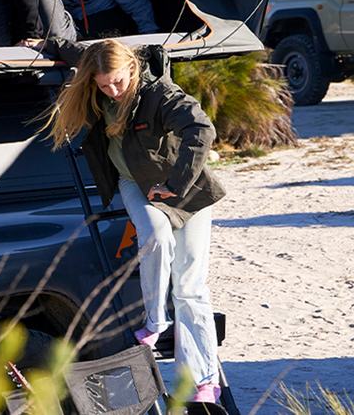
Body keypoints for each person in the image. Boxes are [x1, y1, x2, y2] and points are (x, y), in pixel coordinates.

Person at [38, 37, 225, 404]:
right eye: (103, 85)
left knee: (190, 289)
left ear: (132, 68)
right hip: (134, 182)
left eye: (118, 82)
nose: (112, 90)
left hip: (182, 187)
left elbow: (201, 130)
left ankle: (203, 384)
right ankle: (155, 322)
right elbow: (78, 51)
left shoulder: (160, 94)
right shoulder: (101, 70)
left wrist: (175, 185)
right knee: (156, 235)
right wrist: (44, 43)